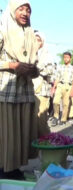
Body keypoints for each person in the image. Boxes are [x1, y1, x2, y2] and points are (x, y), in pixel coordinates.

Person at [0, 0, 41, 179]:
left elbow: (35, 64)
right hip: (6, 89)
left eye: (28, 10)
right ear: (11, 11)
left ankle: (14, 167)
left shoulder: (30, 35)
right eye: (21, 9)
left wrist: (34, 70)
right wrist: (13, 65)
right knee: (7, 131)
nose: (25, 13)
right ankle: (4, 169)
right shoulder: (2, 30)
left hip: (25, 90)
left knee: (20, 132)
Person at [32, 31, 53, 134]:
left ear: (42, 42)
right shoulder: (26, 53)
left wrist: (36, 68)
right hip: (28, 90)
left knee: (40, 119)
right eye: (34, 39)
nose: (36, 42)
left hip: (41, 91)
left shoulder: (46, 55)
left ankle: (46, 143)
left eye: (39, 40)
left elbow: (50, 71)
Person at [51, 52, 73, 126]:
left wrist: (72, 90)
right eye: (64, 57)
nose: (65, 59)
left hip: (68, 86)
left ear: (70, 58)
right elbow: (57, 78)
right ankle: (55, 117)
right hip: (60, 85)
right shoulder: (60, 67)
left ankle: (63, 119)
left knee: (66, 104)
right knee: (55, 101)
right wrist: (53, 87)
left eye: (67, 57)